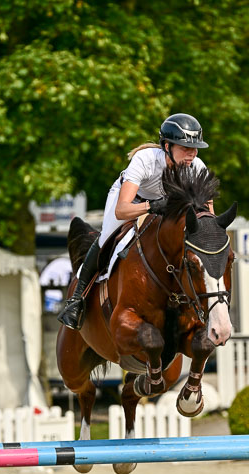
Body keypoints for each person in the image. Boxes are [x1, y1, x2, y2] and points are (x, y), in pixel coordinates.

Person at [57, 113, 209, 330]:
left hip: (165, 207)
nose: (192, 154)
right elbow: (122, 209)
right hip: (131, 203)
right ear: (167, 146)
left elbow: (208, 214)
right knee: (106, 238)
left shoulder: (197, 167)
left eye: (195, 148)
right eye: (186, 147)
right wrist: (152, 207)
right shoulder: (145, 160)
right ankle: (76, 300)